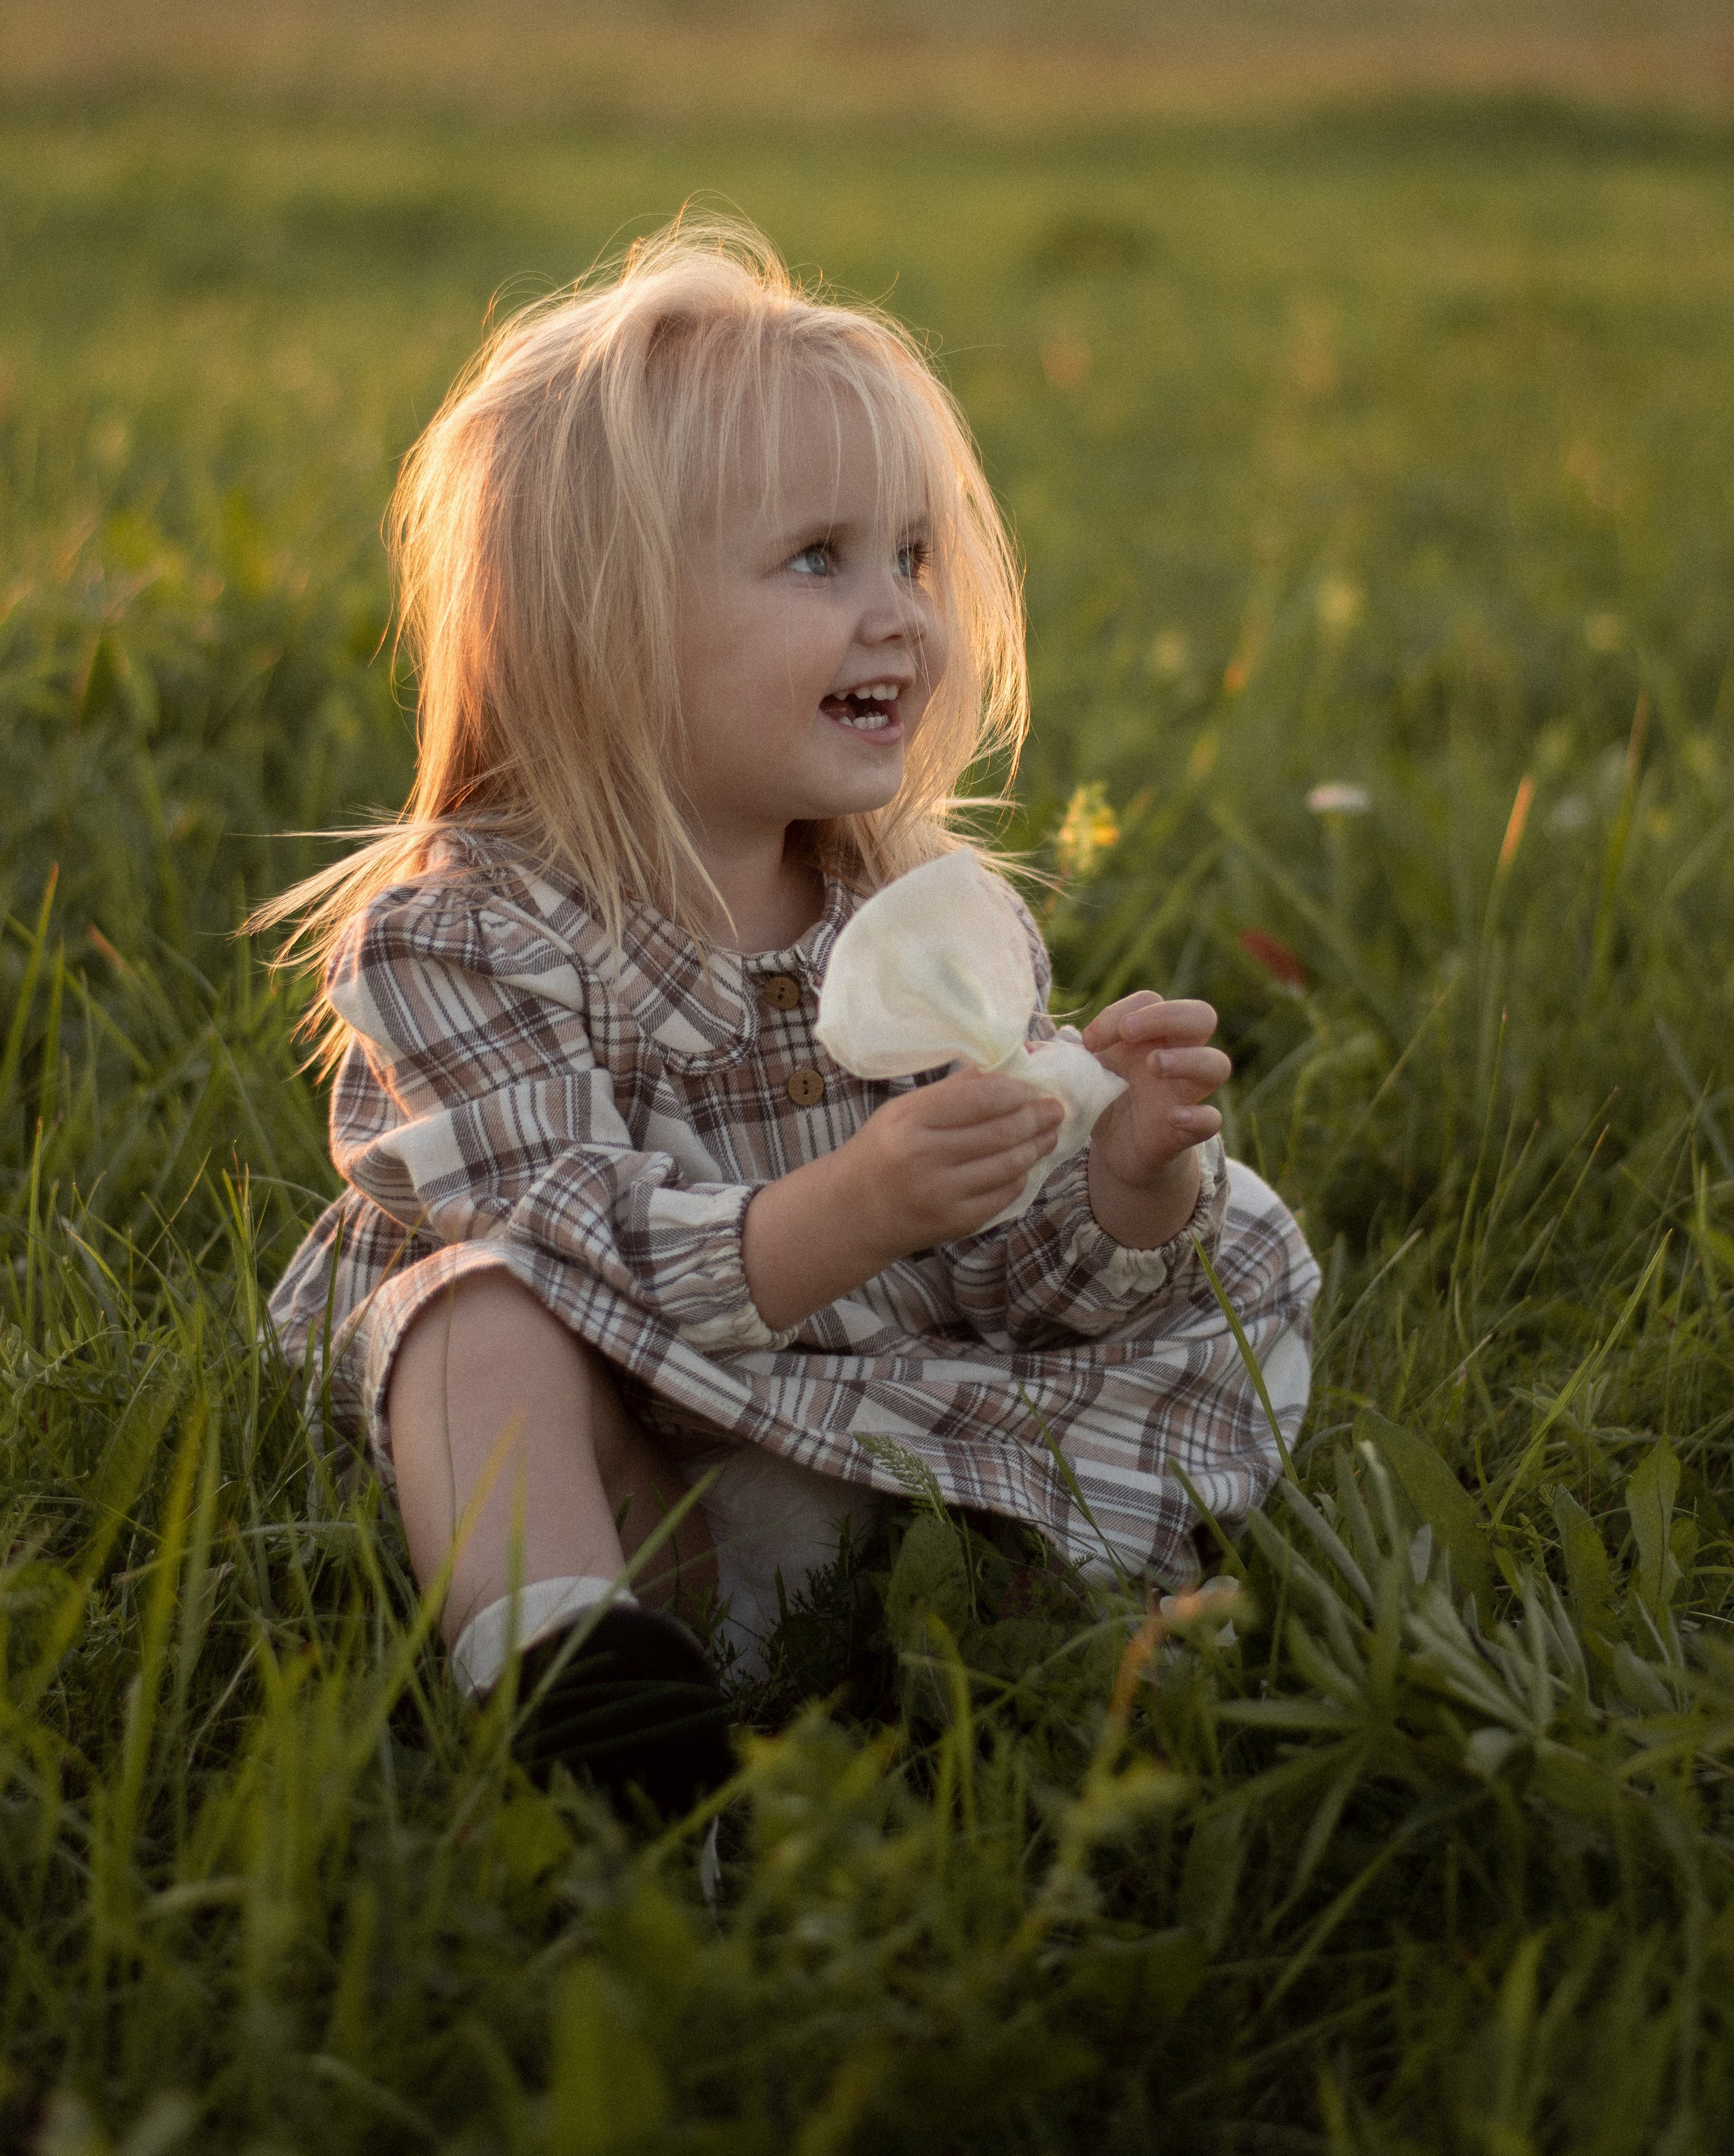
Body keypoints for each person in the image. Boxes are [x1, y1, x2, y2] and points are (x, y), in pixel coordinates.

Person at [261, 218, 1319, 1817]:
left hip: (845, 1455)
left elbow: (999, 1283)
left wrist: (1120, 1181)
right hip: (622, 1482)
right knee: (469, 1319)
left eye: (912, 557)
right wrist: (852, 1207)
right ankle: (566, 1676)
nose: (898, 614)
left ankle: (957, 1622)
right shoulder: (465, 937)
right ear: (598, 628)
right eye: (818, 558)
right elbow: (566, 1236)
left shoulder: (923, 929)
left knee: (1210, 1251)